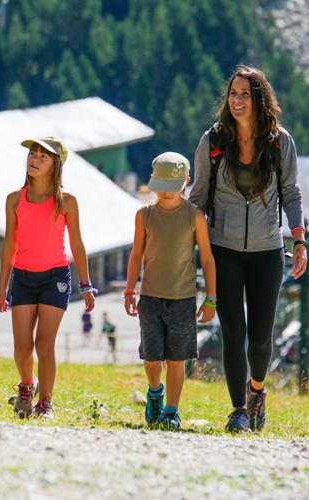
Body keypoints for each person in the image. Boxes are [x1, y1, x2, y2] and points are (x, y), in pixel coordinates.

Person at [189, 65, 307, 433]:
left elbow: (291, 192)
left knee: (259, 338)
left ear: (259, 99)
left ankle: (257, 390)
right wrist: (184, 241)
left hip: (267, 251)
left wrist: (300, 240)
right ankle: (239, 410)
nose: (237, 100)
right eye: (233, 93)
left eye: (245, 94)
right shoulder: (213, 141)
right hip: (222, 249)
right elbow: (198, 197)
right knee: (233, 333)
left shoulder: (280, 142)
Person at [0, 136, 96, 419]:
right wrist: (2, 287)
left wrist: (86, 284)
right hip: (23, 277)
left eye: (43, 156)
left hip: (56, 278)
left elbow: (77, 244)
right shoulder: (14, 199)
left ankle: (46, 404)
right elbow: (9, 244)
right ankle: (27, 385)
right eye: (32, 154)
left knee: (44, 344)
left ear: (56, 165)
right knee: (22, 347)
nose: (35, 159)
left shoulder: (67, 201)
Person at [124, 152, 217, 429]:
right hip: (150, 298)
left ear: (186, 184)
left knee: (176, 360)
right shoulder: (144, 215)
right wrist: (130, 291)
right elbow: (136, 254)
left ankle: (171, 411)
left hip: (183, 300)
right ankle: (155, 392)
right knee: (152, 358)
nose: (166, 193)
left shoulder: (194, 216)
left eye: (172, 187)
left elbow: (207, 259)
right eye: (161, 187)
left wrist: (211, 298)